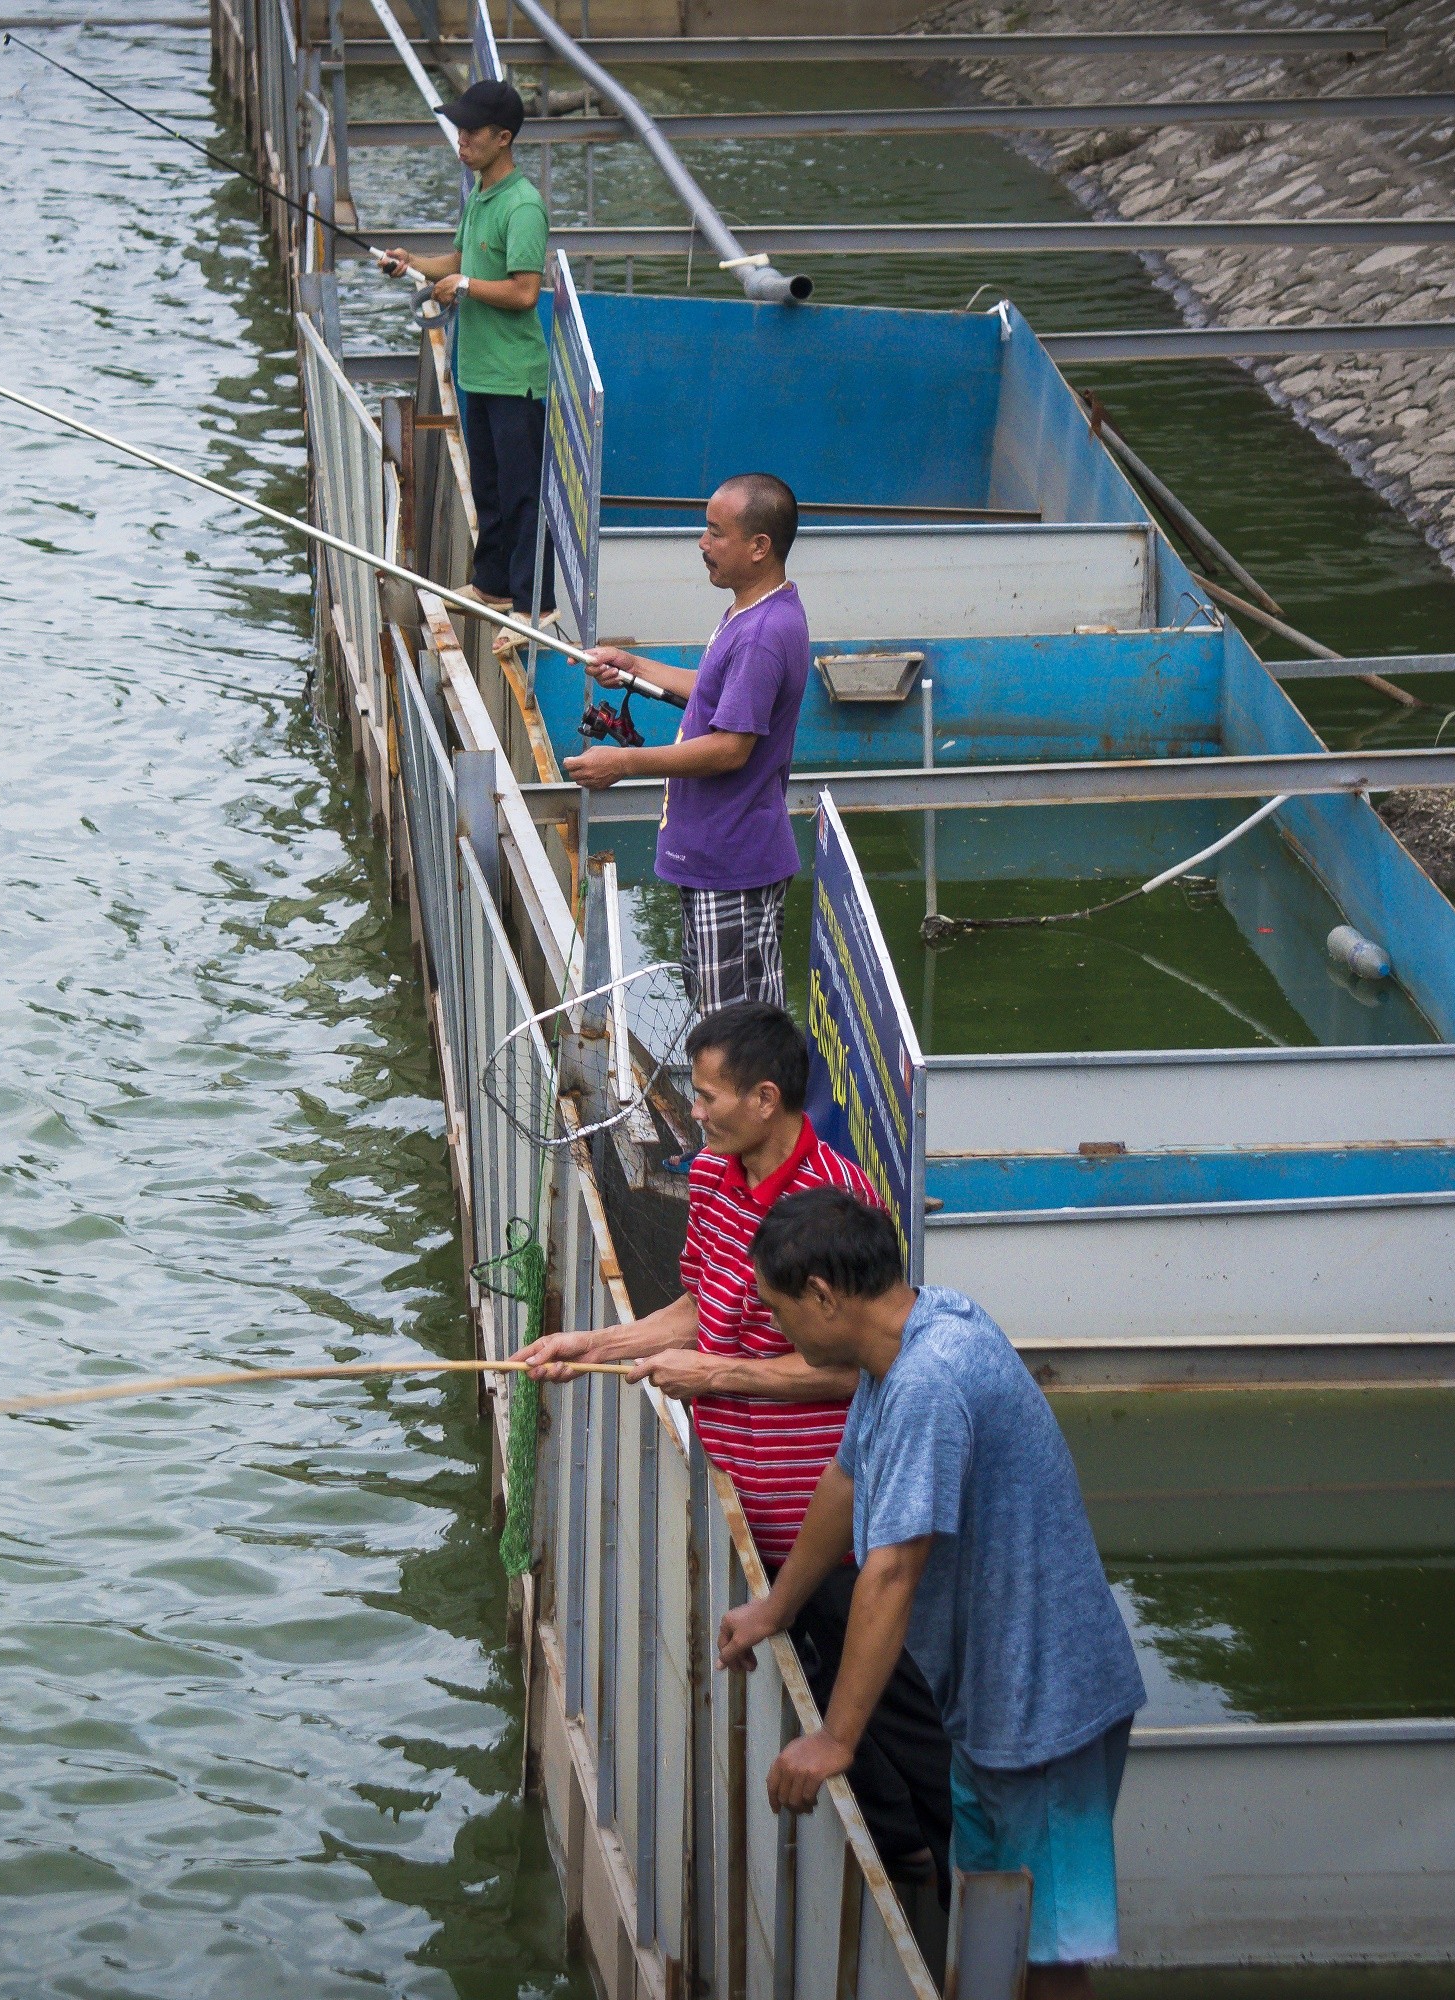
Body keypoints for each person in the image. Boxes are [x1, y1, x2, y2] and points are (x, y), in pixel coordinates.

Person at [511, 1002, 952, 1882]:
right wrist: (589, 1345)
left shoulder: (836, 1201)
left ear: (764, 1096)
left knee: (875, 1681)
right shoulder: (711, 1176)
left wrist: (717, 1376)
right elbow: (696, 1314)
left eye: (708, 1096)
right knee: (811, 1672)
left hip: (816, 1502)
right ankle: (898, 1844)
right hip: (732, 1486)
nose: (696, 1111)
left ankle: (957, 1857)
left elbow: (857, 1369)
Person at [723, 1188, 1147, 1998]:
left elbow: (890, 1568)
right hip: (989, 1712)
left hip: (1044, 1713)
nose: (778, 1332)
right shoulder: (917, 1332)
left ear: (822, 1294)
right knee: (989, 1938)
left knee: (1047, 1961)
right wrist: (775, 1609)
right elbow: (845, 1482)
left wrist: (835, 1739)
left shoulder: (926, 1382)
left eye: (780, 1311)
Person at [559, 473, 810, 1015]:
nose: (703, 544)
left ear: (759, 546)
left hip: (734, 863)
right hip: (712, 856)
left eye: (716, 533)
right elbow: (718, 693)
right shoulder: (750, 612)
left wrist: (624, 762)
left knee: (736, 1034)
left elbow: (730, 747)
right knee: (715, 1020)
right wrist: (632, 668)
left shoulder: (764, 634)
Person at [376, 77, 549, 615]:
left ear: (503, 138)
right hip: (477, 370)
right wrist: (412, 264)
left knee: (522, 496)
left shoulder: (522, 206)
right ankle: (492, 584)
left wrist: (467, 287)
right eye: (458, 128)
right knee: (490, 490)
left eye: (471, 130)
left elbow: (524, 292)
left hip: (514, 375)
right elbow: (457, 264)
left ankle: (533, 606)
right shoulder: (481, 194)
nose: (461, 138)